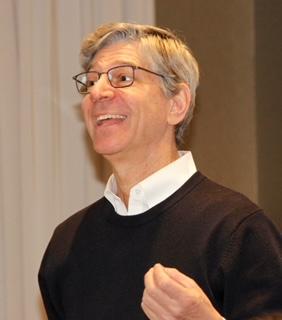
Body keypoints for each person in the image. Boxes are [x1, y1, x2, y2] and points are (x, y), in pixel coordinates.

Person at [38, 22, 282, 320]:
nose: (98, 92)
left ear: (176, 104)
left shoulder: (238, 230)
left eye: (123, 77)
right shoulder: (66, 245)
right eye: (91, 82)